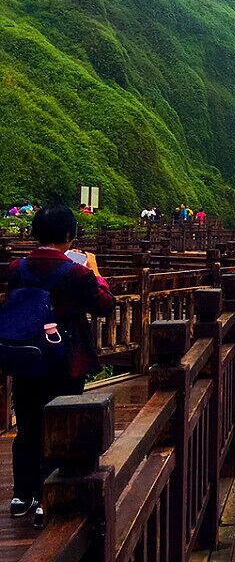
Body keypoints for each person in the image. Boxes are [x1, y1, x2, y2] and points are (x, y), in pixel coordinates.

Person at [4, 205, 114, 529]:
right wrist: (94, 271)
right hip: (66, 358)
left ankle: (22, 495)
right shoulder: (77, 272)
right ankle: (48, 496)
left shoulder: (17, 268)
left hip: (25, 357)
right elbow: (105, 305)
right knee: (60, 425)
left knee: (27, 425)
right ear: (69, 235)